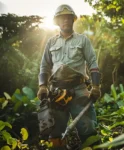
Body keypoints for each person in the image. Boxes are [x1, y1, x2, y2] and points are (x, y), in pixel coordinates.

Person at [37, 4, 101, 149]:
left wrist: (96, 86)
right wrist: (42, 86)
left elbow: (93, 63)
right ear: (57, 21)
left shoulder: (82, 40)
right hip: (57, 91)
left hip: (79, 89)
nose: (65, 20)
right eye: (61, 18)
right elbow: (44, 66)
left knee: (88, 128)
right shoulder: (51, 42)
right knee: (55, 131)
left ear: (73, 20)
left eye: (68, 17)